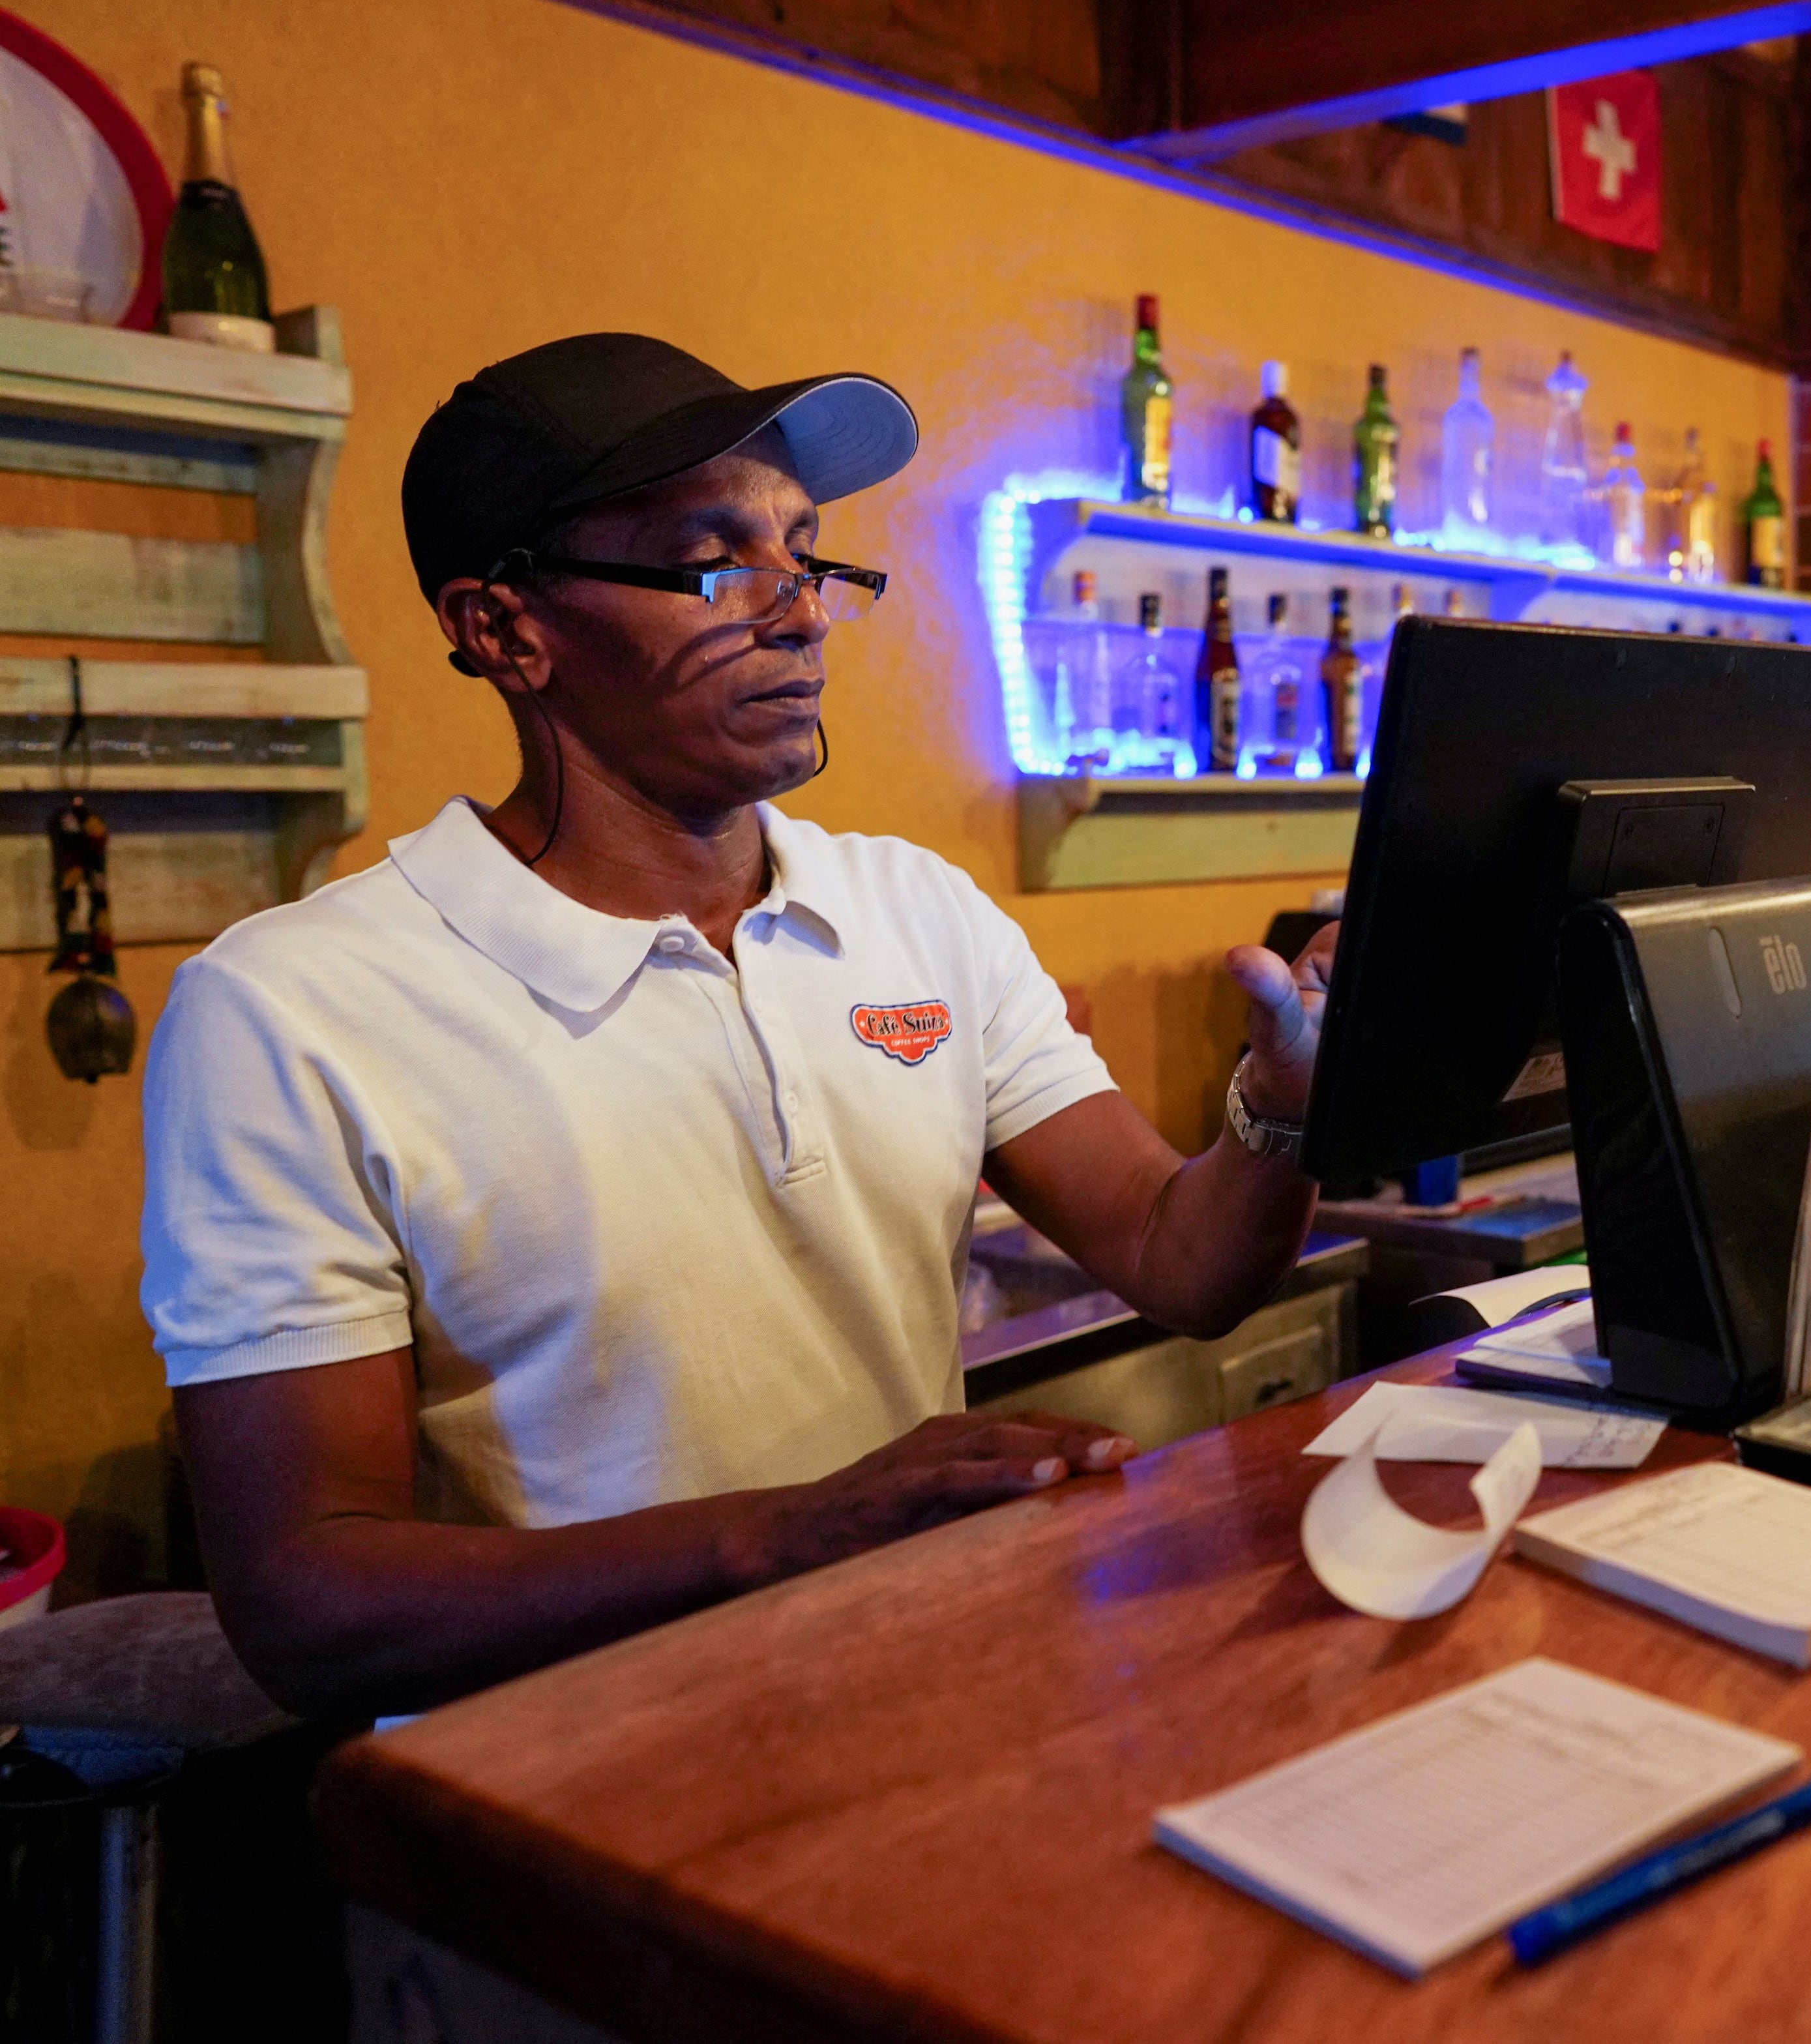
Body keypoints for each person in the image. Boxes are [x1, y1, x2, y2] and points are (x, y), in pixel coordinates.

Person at [141, 334, 1337, 1724]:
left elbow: (1182, 1259)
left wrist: (1283, 1100)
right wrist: (777, 1537)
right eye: (718, 563)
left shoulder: (916, 912)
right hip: (577, 1806)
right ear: (504, 629)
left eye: (808, 553)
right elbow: (306, 1599)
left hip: (931, 1709)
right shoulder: (292, 1008)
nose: (806, 614)